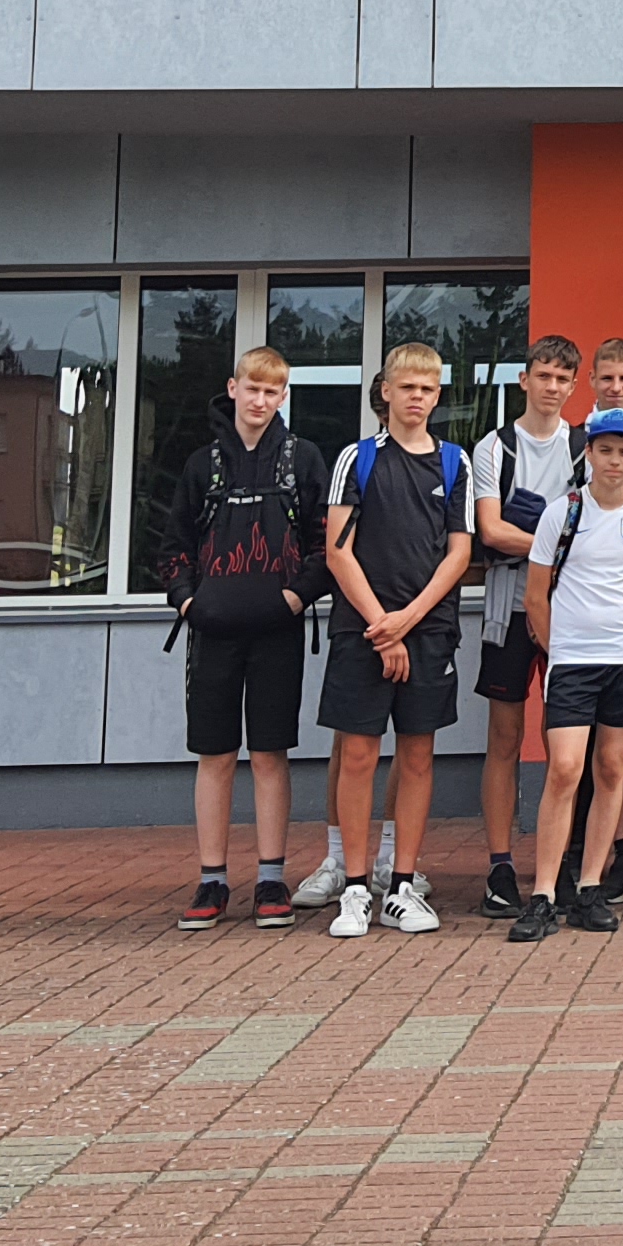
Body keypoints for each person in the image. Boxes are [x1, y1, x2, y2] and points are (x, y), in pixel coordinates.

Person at [160, 343, 330, 929]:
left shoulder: (303, 459)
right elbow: (172, 547)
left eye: (271, 391)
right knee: (215, 755)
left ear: (283, 397)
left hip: (278, 631)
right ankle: (211, 879)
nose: (260, 400)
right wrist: (188, 601)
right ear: (233, 389)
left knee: (269, 754)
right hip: (212, 634)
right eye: (251, 388)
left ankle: (270, 878)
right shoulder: (201, 464)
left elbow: (325, 544)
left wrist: (294, 598)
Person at [320, 339, 474, 937]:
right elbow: (338, 552)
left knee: (417, 754)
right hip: (363, 630)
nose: (417, 397)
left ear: (438, 396)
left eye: (428, 389)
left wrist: (407, 620)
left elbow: (458, 554)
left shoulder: (455, 463)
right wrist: (382, 628)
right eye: (407, 387)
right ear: (385, 392)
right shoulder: (356, 459)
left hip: (427, 631)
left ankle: (402, 885)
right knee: (358, 754)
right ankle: (356, 887)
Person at [510, 406, 623, 940]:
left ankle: (589, 889)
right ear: (589, 453)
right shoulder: (562, 513)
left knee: (611, 768)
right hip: (572, 663)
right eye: (605, 450)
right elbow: (537, 596)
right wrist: (560, 648)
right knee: (564, 768)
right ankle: (542, 895)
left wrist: (621, 635)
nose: (614, 461)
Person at [466, 334, 586, 918]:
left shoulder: (584, 448)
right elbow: (490, 530)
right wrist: (554, 541)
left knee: (566, 741)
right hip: (507, 611)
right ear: (524, 379)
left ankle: (558, 864)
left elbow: (589, 530)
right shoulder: (494, 447)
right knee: (505, 738)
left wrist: (533, 537)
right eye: (543, 376)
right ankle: (500, 866)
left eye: (563, 379)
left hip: (570, 612)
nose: (552, 387)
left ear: (573, 386)